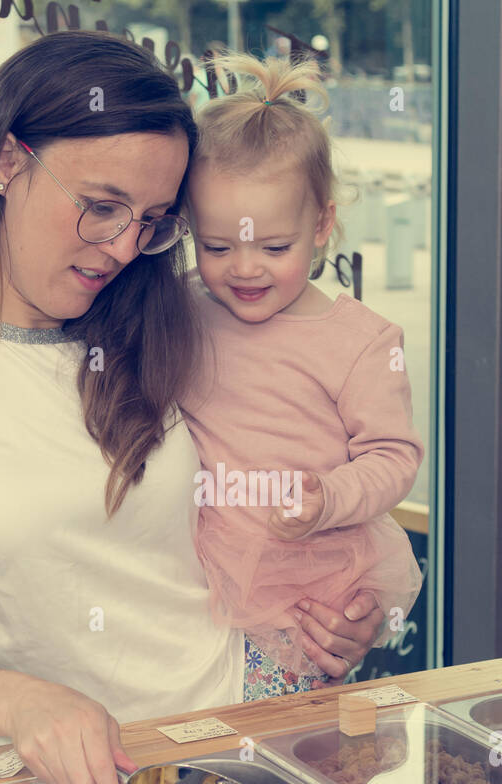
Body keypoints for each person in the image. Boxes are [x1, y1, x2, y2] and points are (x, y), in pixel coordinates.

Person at [0, 31, 384, 784]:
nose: (123, 247)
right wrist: (22, 702)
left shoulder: (157, 311)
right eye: (101, 206)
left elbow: (279, 473)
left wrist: (334, 610)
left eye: (153, 220)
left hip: (254, 735)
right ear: (7, 161)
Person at [180, 51, 424, 697]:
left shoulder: (361, 341)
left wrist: (329, 496)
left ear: (321, 226)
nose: (245, 269)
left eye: (274, 247)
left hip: (307, 573)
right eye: (217, 246)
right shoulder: (183, 311)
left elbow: (394, 455)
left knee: (281, 747)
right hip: (203, 566)